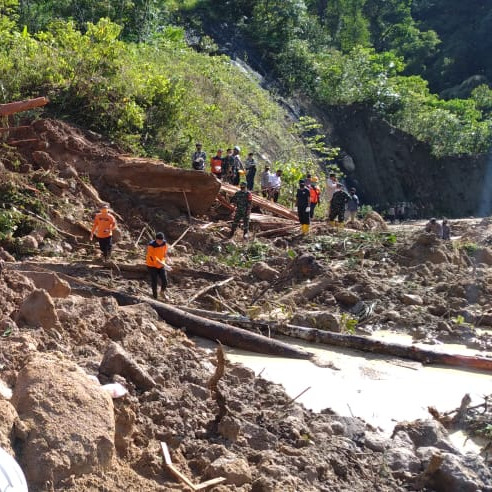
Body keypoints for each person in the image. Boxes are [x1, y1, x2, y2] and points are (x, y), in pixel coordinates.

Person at [146, 232, 170, 300]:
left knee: (165, 280)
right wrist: (165, 265)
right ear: (156, 239)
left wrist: (168, 259)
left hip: (161, 264)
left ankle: (162, 292)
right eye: (159, 241)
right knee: (154, 281)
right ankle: (155, 297)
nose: (160, 242)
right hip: (152, 265)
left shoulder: (164, 244)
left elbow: (165, 253)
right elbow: (155, 259)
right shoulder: (151, 246)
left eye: (161, 241)